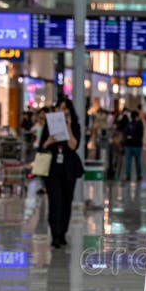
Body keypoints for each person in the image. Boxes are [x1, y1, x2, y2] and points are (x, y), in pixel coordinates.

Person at [39, 97, 82, 248]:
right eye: (59, 108)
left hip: (69, 168)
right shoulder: (49, 126)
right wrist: (49, 141)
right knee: (54, 201)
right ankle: (55, 234)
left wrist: (68, 127)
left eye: (65, 109)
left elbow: (73, 146)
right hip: (52, 168)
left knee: (66, 201)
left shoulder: (75, 126)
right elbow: (41, 147)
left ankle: (63, 232)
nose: (62, 111)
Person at [124, 110, 144, 182]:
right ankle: (139, 176)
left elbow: (125, 133)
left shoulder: (128, 123)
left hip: (128, 144)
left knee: (128, 161)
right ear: (136, 116)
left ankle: (128, 176)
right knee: (137, 161)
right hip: (137, 145)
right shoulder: (139, 123)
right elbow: (141, 134)